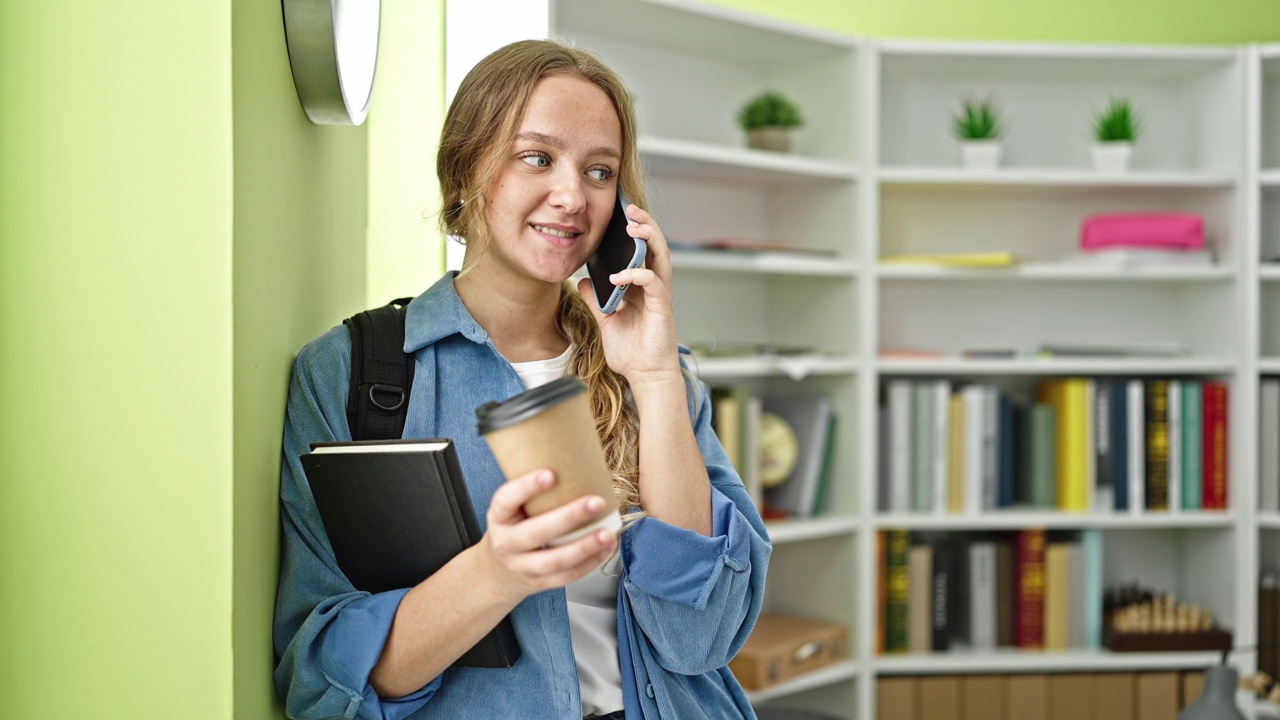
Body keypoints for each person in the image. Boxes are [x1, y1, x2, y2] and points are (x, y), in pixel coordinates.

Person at [273, 39, 771, 720]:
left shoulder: (654, 373)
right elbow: (320, 683)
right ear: (466, 170)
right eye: (537, 157)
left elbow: (700, 637)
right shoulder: (350, 375)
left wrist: (654, 378)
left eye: (600, 171)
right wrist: (495, 574)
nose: (571, 196)